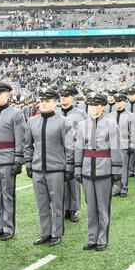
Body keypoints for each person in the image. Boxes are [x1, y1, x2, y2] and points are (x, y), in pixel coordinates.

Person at [24, 87, 75, 246]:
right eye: (42, 101)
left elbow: (70, 146)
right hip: (38, 169)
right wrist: (28, 164)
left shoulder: (63, 121)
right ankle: (45, 233)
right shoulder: (32, 121)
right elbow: (27, 146)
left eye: (47, 101)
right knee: (42, 204)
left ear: (55, 103)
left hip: (56, 170)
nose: (44, 104)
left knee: (57, 205)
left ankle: (56, 233)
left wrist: (69, 167)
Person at [75, 92, 123, 251]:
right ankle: (91, 238)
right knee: (90, 207)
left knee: (103, 207)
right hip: (88, 169)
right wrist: (77, 168)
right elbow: (79, 148)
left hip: (104, 169)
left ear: (102, 106)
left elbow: (116, 148)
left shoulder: (111, 124)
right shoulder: (82, 125)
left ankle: (102, 239)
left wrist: (116, 169)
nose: (92, 108)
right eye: (90, 105)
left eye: (96, 105)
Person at [0, 81, 26, 241]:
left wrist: (18, 159)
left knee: (8, 194)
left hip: (8, 159)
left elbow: (20, 138)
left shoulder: (16, 113)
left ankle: (8, 228)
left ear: (8, 94)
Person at [57, 84, 88, 222]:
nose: (63, 98)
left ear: (72, 97)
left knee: (73, 181)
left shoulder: (81, 114)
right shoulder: (56, 113)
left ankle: (73, 209)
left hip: (75, 151)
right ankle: (63, 208)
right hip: (58, 152)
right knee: (59, 181)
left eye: (66, 96)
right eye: (62, 96)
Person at [109, 92, 135, 197]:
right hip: (112, 147)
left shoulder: (131, 116)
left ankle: (124, 188)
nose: (118, 104)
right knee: (114, 168)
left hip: (125, 146)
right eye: (116, 102)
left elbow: (134, 132)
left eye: (120, 101)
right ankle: (116, 189)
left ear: (124, 102)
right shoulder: (110, 115)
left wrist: (132, 145)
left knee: (124, 169)